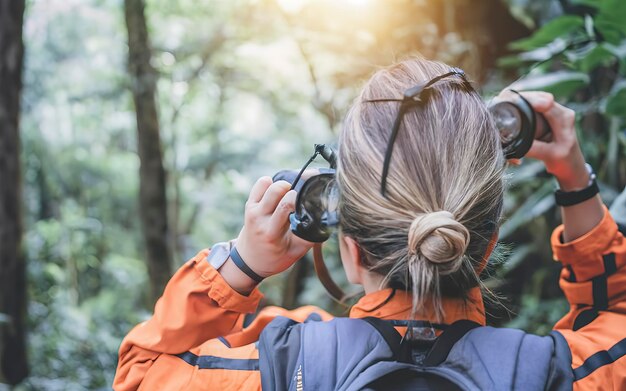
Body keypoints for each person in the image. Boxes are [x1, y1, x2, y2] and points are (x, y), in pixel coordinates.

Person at [113, 58, 626, 390]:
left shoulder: (278, 366)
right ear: (486, 246)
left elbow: (142, 373)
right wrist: (574, 181)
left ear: (350, 252)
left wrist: (242, 265)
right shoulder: (554, 375)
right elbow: (615, 316)